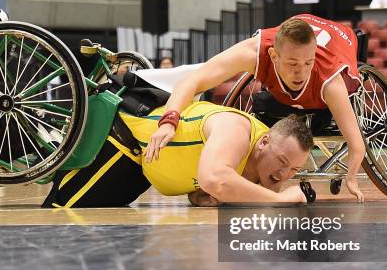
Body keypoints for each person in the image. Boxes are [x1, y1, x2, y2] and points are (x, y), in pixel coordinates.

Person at [145, 14, 366, 203]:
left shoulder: (330, 82)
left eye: (307, 63)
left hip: (340, 39)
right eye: (292, 64)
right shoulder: (253, 52)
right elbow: (192, 80)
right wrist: (169, 121)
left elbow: (357, 145)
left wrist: (352, 177)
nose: (301, 72)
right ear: (273, 56)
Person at [42, 102, 313, 208]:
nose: (284, 174)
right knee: (59, 211)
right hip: (123, 149)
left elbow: (204, 187)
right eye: (282, 163)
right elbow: (215, 179)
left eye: (294, 171)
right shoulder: (236, 130)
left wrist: (200, 196)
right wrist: (280, 200)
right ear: (264, 142)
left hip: (143, 171)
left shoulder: (261, 163)